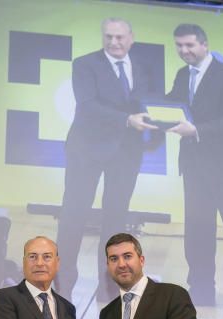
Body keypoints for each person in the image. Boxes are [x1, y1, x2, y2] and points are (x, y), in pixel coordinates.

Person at [56, 17, 158, 302]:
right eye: (108, 37)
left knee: (116, 218)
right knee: (74, 215)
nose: (114, 42)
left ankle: (108, 285)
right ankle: (62, 284)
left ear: (131, 38)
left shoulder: (142, 68)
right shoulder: (85, 64)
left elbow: (149, 105)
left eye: (119, 37)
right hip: (86, 150)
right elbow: (88, 107)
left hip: (126, 154)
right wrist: (127, 120)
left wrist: (162, 126)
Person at [166, 23, 223, 317]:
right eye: (179, 46)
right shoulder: (183, 76)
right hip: (195, 168)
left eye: (189, 45)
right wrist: (151, 113)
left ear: (204, 45)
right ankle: (202, 291)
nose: (184, 51)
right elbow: (172, 105)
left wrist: (196, 130)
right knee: (197, 232)